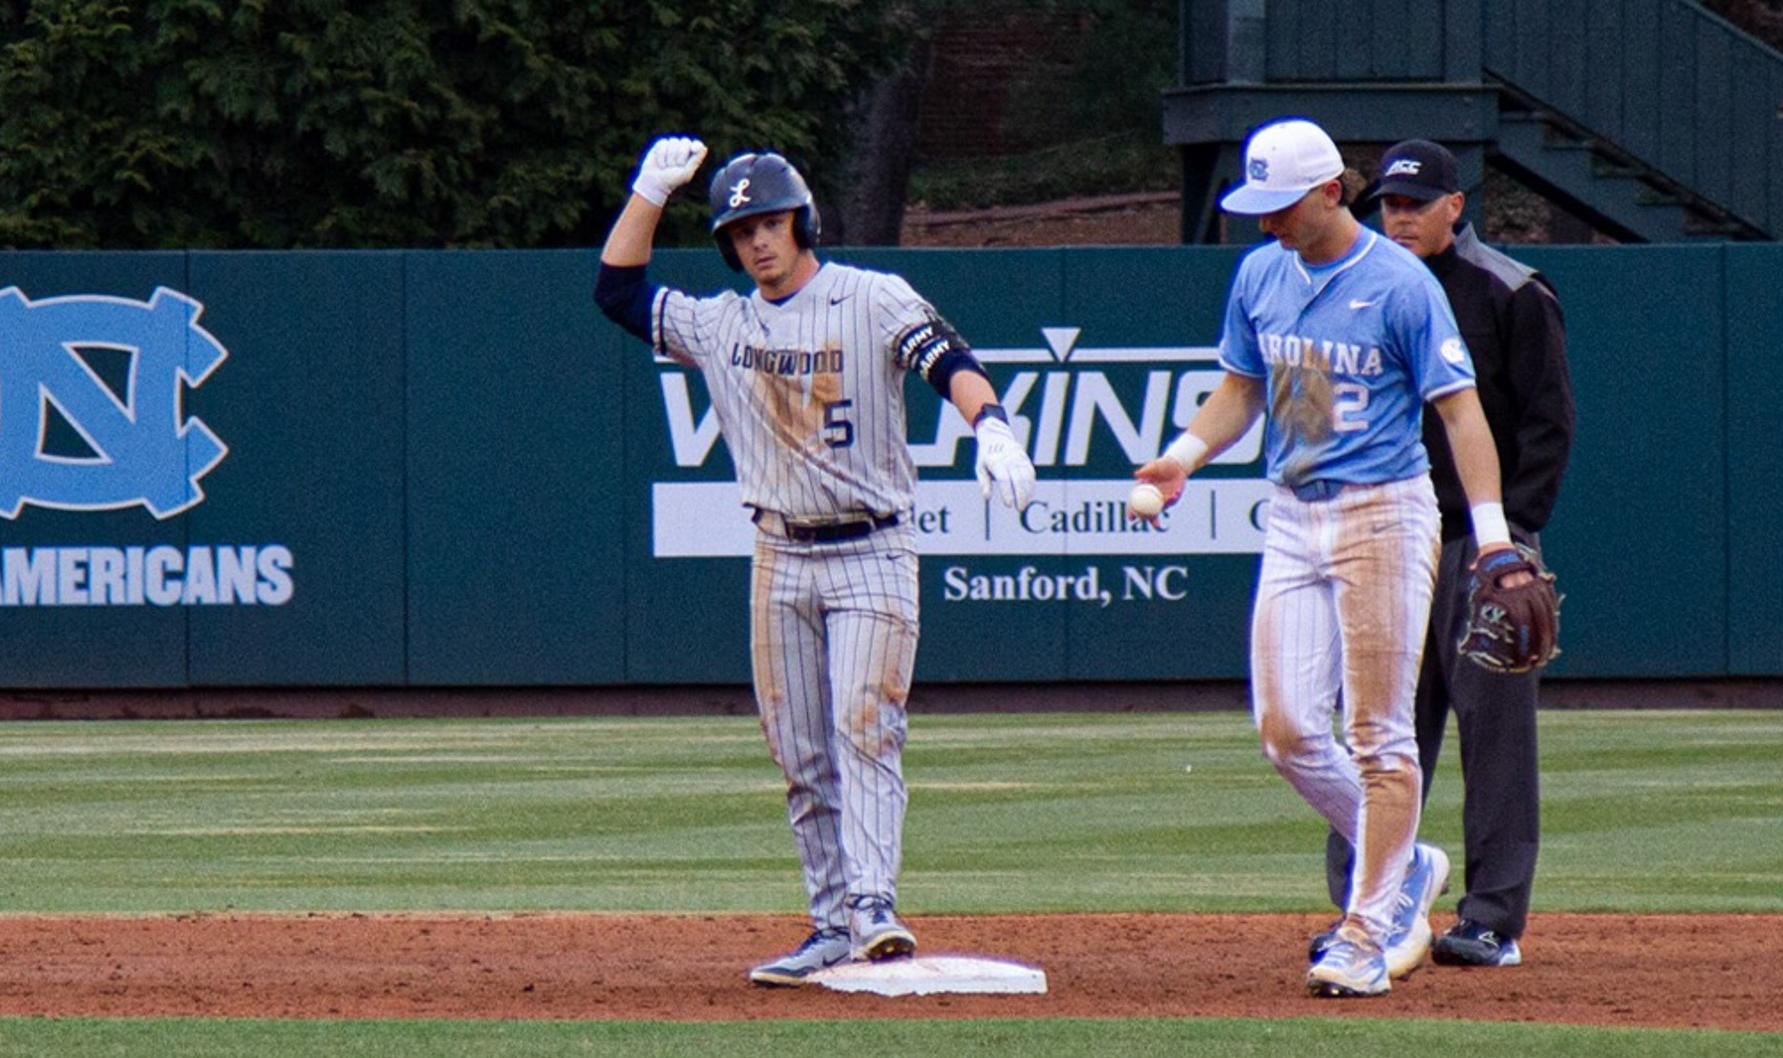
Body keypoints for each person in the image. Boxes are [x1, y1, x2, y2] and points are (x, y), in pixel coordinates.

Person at [593, 136, 1036, 987]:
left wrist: (992, 425)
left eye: (771, 222)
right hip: (779, 552)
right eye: (741, 230)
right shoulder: (721, 323)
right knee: (800, 751)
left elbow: (950, 361)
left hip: (872, 545)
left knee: (862, 726)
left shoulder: (869, 298)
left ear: (802, 221)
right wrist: (648, 191)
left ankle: (874, 907)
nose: (758, 240)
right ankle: (832, 924)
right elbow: (616, 291)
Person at [1134, 117, 1547, 998]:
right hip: (1292, 512)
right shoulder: (1261, 275)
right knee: (1286, 732)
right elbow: (1243, 389)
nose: (1264, 222)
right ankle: (1406, 858)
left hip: (1384, 516)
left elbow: (1462, 413)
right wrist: (1181, 456)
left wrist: (1494, 536)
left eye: (1280, 205)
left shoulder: (1399, 284)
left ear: (1331, 192)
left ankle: (1366, 933)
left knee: (1378, 738)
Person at [1315, 139, 1574, 968]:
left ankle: (1492, 917)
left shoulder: (1509, 291)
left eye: (1415, 205)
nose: (1399, 217)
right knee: (1378, 731)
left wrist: (1514, 541)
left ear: (1453, 208)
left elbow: (1546, 424)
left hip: (1474, 542)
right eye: (1389, 204)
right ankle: (1369, 910)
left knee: (1494, 733)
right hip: (1384, 535)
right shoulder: (1352, 285)